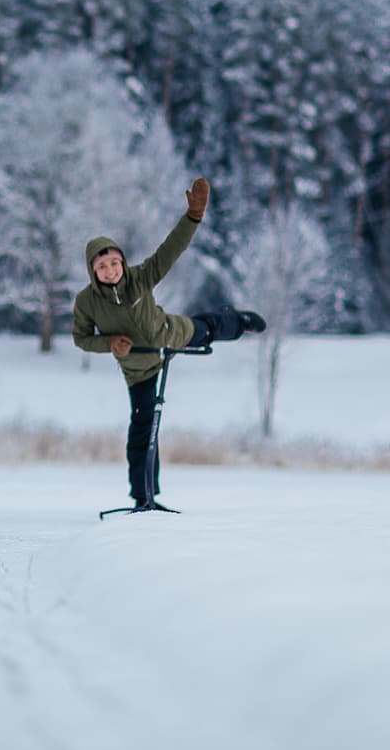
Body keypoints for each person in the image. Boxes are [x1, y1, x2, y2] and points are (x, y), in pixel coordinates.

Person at [70, 177, 266, 510]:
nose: (110, 270)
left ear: (122, 262)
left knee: (209, 328)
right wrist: (110, 344)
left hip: (169, 334)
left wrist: (193, 216)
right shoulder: (86, 301)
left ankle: (239, 321)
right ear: (93, 272)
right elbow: (81, 338)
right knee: (143, 429)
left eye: (114, 262)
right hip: (139, 368)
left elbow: (170, 250)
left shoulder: (140, 277)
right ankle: (144, 497)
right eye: (102, 266)